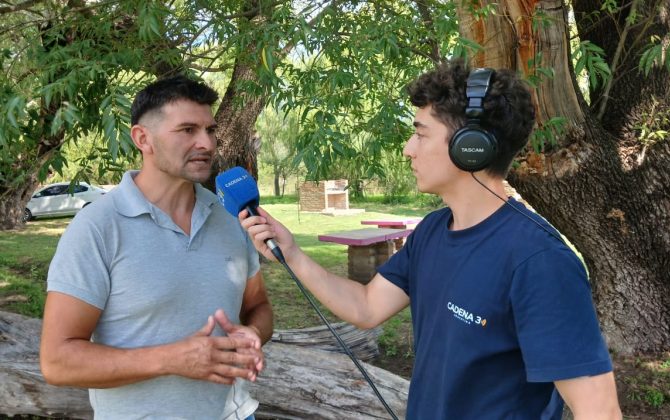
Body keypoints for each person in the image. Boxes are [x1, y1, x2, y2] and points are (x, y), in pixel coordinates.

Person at [242, 60, 622, 419]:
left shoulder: (539, 260)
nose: (408, 148)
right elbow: (367, 307)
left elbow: (598, 410)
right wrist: (292, 253)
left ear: (471, 146)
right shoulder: (432, 231)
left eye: (421, 133)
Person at [40, 75, 273, 420]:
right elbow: (57, 362)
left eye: (210, 130)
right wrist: (172, 360)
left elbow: (258, 305)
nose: (206, 143)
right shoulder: (98, 228)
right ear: (142, 138)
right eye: (187, 130)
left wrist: (252, 334)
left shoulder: (228, 219)